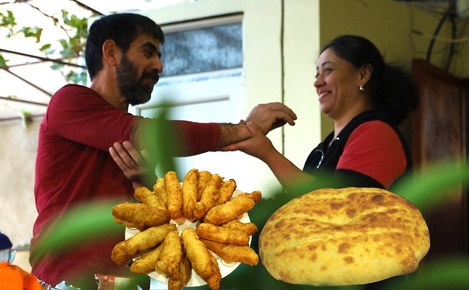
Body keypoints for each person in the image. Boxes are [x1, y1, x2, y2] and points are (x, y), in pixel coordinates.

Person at [29, 12, 296, 289]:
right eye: (148, 52)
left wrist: (143, 180)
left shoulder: (129, 133)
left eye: (158, 55)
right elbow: (150, 134)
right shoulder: (69, 102)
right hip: (66, 279)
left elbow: (152, 221)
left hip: (127, 280)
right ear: (111, 53)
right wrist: (243, 130)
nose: (159, 65)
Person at [225, 34, 418, 192]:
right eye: (317, 74)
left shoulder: (376, 133)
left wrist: (268, 153)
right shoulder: (322, 150)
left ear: (362, 75)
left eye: (328, 71)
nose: (317, 83)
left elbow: (337, 209)